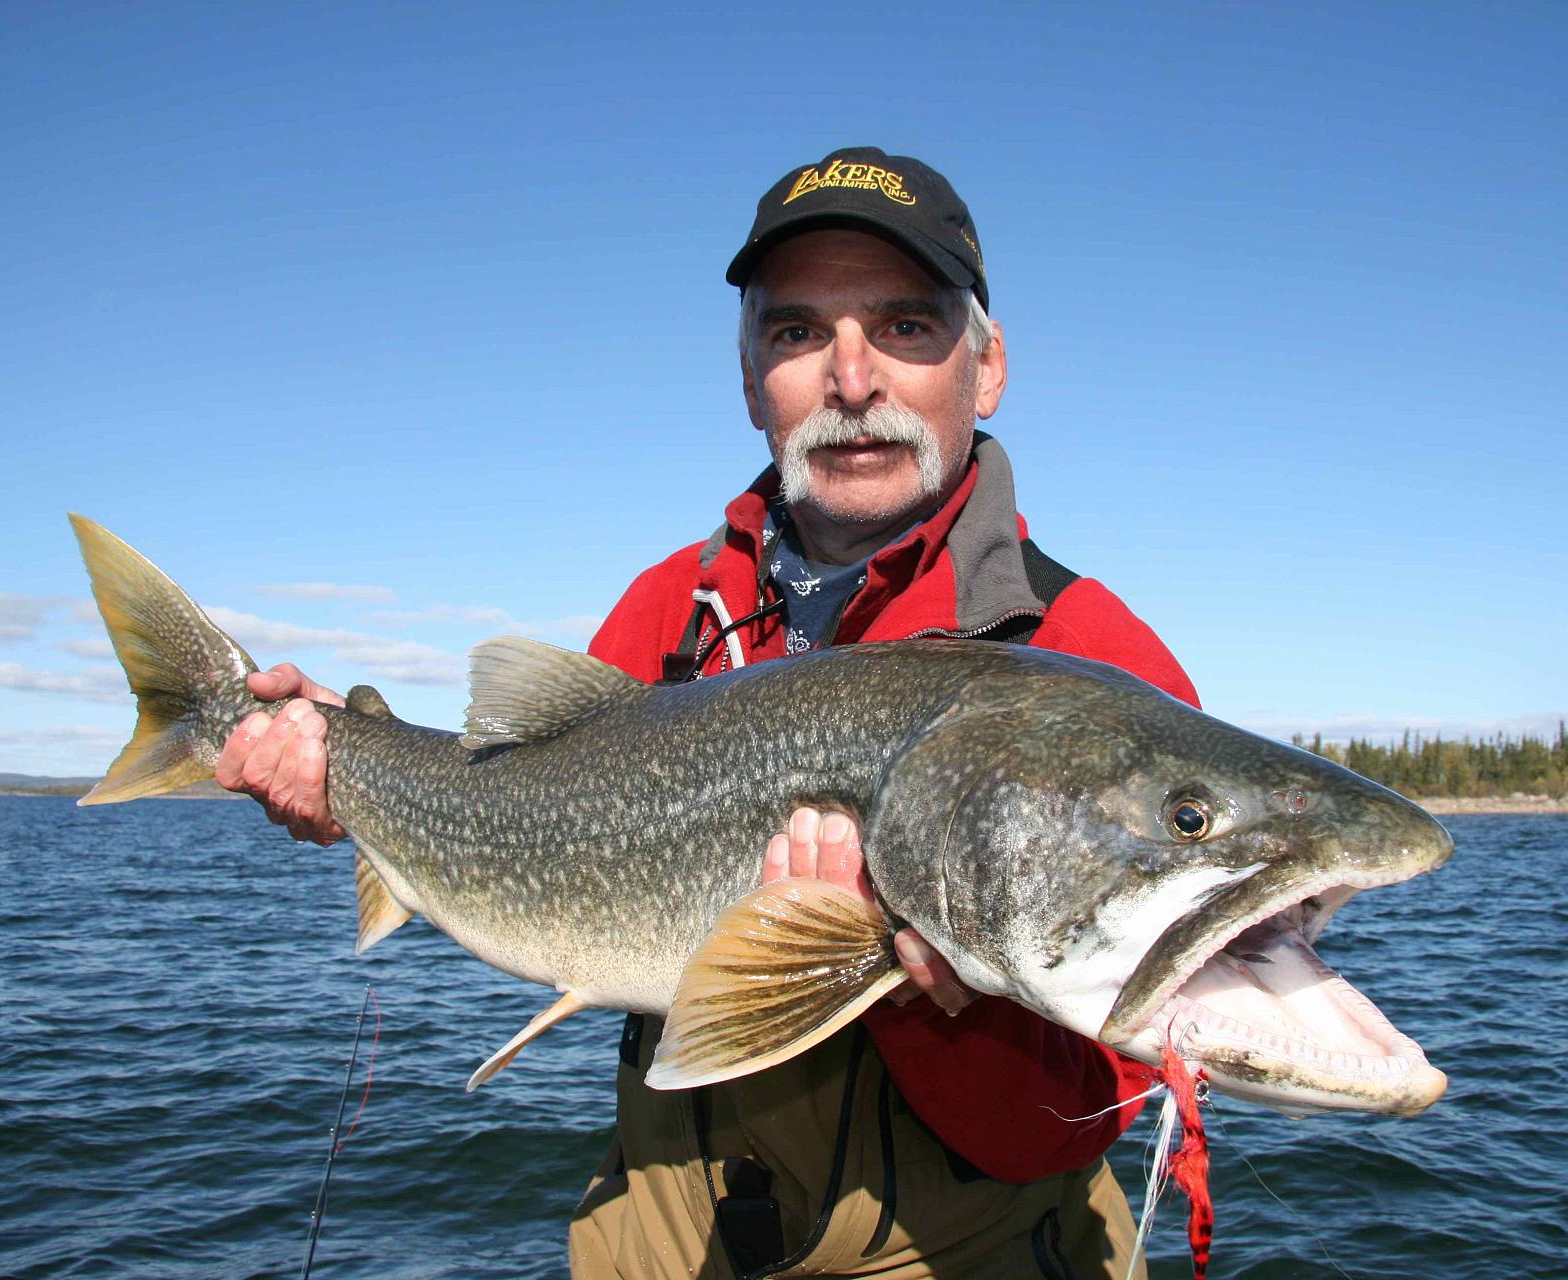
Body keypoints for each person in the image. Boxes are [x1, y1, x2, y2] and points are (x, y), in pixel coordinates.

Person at [218, 147, 1203, 1279]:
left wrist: (930, 995)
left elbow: (1086, 1111)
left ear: (986, 368)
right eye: (797, 333)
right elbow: (519, 813)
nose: (851, 377)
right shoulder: (664, 608)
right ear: (749, 382)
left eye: (904, 326)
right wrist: (354, 760)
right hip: (660, 1228)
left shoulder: (1094, 663)